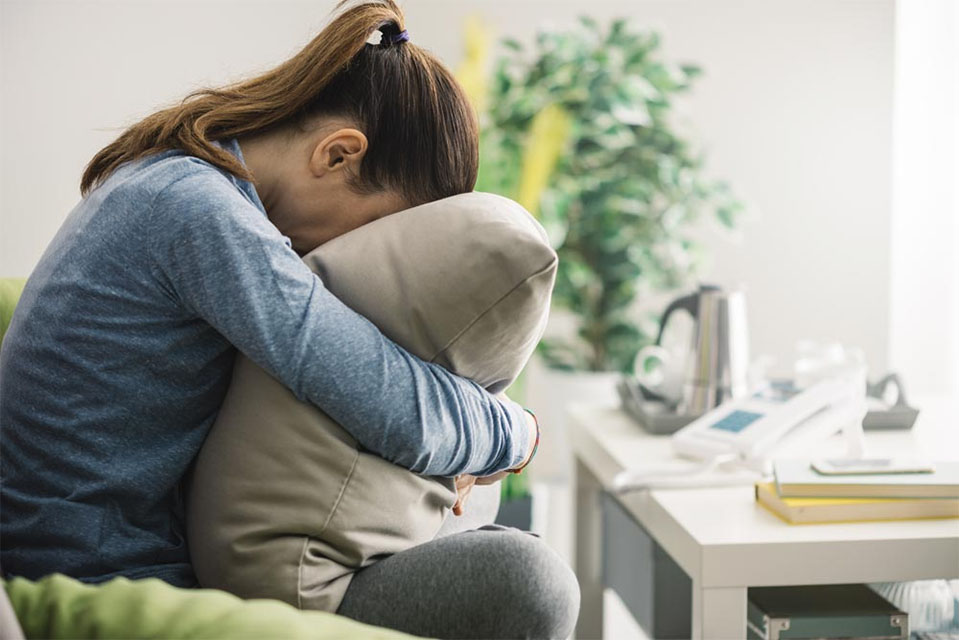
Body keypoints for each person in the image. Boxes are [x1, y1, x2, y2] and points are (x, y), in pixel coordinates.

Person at [0, 1, 579, 638]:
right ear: (338, 156)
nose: (346, 257)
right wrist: (519, 434)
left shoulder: (165, 180)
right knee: (526, 580)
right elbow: (388, 401)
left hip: (118, 555)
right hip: (102, 582)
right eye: (376, 228)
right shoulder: (196, 211)